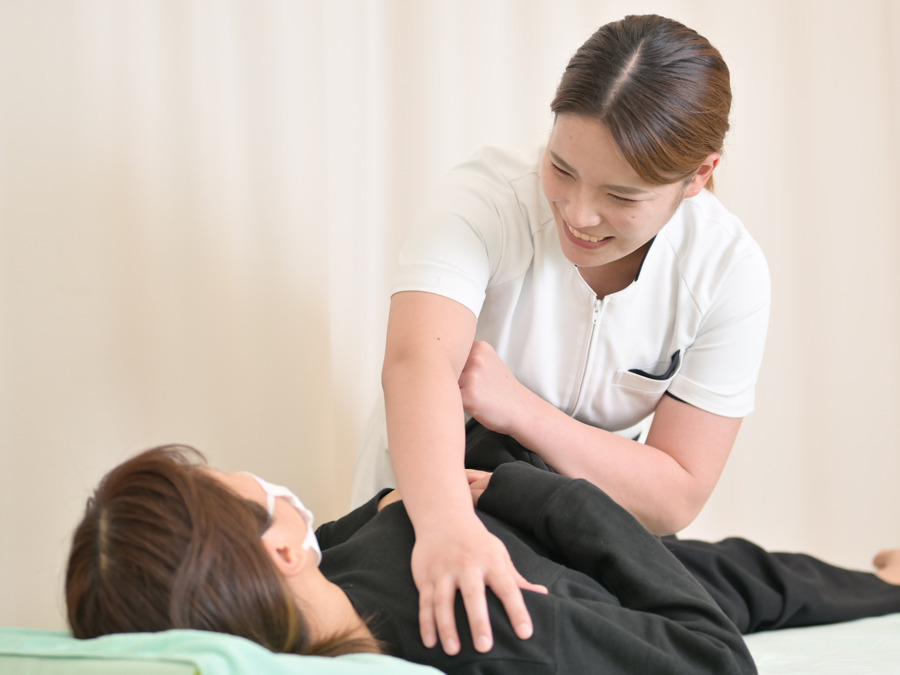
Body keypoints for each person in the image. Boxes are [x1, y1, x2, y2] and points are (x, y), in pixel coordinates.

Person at [359, 13, 770, 655]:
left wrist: (519, 409)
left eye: (622, 195)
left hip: (588, 527)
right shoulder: (485, 203)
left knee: (743, 581)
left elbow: (674, 495)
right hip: (441, 507)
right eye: (562, 167)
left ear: (697, 175)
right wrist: (445, 526)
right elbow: (417, 364)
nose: (579, 213)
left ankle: (885, 578)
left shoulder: (727, 272)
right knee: (727, 584)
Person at [66, 444, 760, 674]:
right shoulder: (486, 626)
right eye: (229, 478)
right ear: (278, 551)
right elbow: (713, 656)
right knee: (748, 576)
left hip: (490, 506)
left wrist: (398, 504)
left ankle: (879, 573)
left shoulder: (313, 597)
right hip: (596, 544)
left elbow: (338, 535)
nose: (253, 476)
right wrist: (544, 494)